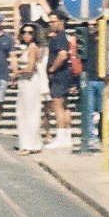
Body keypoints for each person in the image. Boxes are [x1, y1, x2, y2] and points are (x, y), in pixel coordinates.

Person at [12, 25, 49, 153]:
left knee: (29, 113)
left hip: (31, 82)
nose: (26, 35)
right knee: (23, 112)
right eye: (24, 32)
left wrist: (17, 73)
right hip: (24, 82)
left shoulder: (33, 48)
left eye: (30, 33)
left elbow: (30, 68)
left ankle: (29, 145)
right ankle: (31, 143)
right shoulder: (25, 48)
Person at [45, 17, 76, 148]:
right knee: (65, 107)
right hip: (66, 75)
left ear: (61, 22)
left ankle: (60, 137)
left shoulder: (58, 38)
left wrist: (52, 68)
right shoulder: (64, 37)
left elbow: (62, 55)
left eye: (53, 21)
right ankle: (67, 137)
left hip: (59, 75)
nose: (50, 24)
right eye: (50, 22)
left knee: (57, 106)